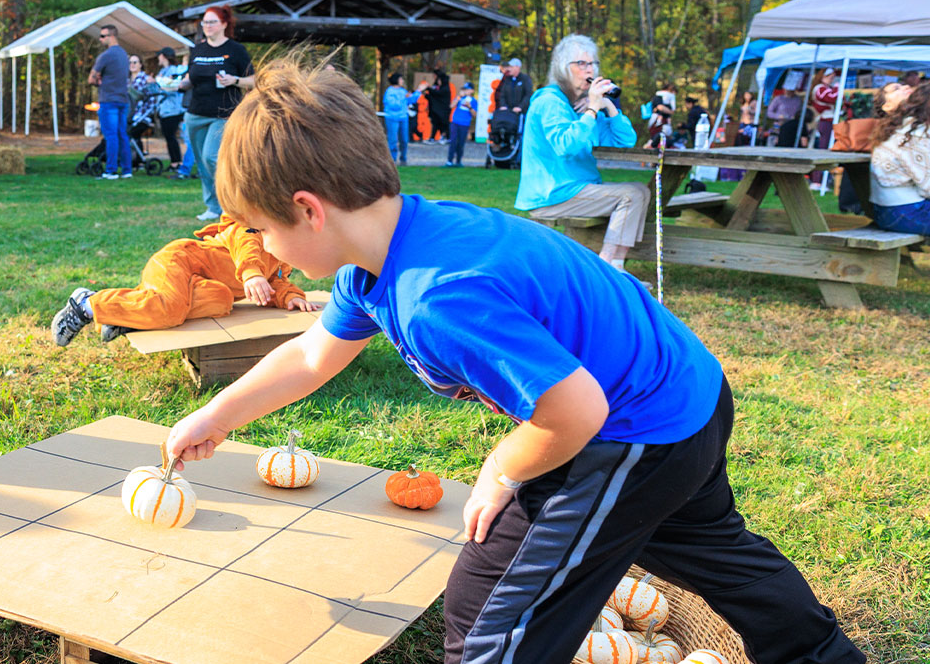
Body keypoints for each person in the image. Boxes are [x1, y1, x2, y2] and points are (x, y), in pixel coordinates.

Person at [161, 60, 864, 664]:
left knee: (486, 616)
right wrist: (218, 413)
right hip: (689, 391)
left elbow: (576, 410)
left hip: (630, 431)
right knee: (715, 553)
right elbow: (314, 355)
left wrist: (504, 466)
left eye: (260, 231)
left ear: (308, 211)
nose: (263, 249)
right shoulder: (386, 254)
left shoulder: (439, 295)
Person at [51, 214, 319, 347]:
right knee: (171, 308)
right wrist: (252, 273)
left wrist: (292, 297)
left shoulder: (281, 259)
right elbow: (245, 244)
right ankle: (85, 304)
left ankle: (126, 318)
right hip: (180, 261)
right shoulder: (250, 228)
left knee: (223, 300)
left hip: (200, 283)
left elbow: (276, 284)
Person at [515, 35, 644, 270]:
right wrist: (592, 110)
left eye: (593, 63)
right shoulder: (550, 102)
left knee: (640, 190)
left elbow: (625, 141)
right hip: (552, 193)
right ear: (563, 69)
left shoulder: (585, 105)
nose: (590, 69)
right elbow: (566, 146)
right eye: (581, 64)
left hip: (576, 187)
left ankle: (617, 266)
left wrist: (608, 106)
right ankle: (606, 270)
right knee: (631, 195)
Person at [182, 5, 253, 219]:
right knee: (202, 163)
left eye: (212, 22)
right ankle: (213, 208)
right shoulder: (197, 50)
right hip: (195, 113)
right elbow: (189, 79)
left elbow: (255, 80)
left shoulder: (236, 50)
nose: (207, 26)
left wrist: (235, 80)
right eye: (205, 22)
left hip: (224, 113)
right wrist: (173, 84)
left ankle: (230, 203)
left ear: (224, 24)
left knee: (212, 157)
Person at [868, 81, 930, 234]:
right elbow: (927, 186)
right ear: (887, 106)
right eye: (896, 89)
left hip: (886, 211)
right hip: (906, 212)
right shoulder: (910, 133)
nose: (907, 87)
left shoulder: (890, 130)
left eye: (905, 85)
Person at [90, 23, 132, 180]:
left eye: (103, 36)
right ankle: (127, 170)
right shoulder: (124, 55)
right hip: (123, 100)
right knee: (122, 135)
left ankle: (111, 170)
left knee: (111, 136)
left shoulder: (105, 56)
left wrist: (97, 80)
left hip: (109, 100)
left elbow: (91, 78)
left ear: (112, 36)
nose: (100, 39)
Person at [152, 47, 190, 177]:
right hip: (164, 110)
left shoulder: (175, 70)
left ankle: (177, 162)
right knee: (169, 137)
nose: (158, 58)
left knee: (171, 136)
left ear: (164, 56)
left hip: (173, 110)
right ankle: (175, 161)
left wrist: (159, 82)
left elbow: (174, 87)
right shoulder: (163, 71)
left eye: (159, 56)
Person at [445, 82, 477, 167]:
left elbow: (475, 115)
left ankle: (458, 161)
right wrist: (459, 97)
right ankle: (449, 161)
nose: (465, 91)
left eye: (467, 89)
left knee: (461, 143)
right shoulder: (459, 98)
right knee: (453, 142)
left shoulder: (474, 101)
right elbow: (451, 106)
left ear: (472, 91)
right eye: (464, 89)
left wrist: (469, 107)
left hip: (465, 124)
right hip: (455, 122)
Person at [381, 73, 409, 165]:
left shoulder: (403, 91)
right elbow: (394, 105)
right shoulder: (389, 92)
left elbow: (410, 100)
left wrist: (418, 92)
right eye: (401, 79)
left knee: (404, 140)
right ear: (396, 80)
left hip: (403, 118)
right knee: (393, 140)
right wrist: (404, 98)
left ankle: (403, 158)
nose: (402, 81)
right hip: (392, 118)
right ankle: (392, 160)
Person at [810, 67, 839, 149]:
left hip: (828, 119)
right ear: (823, 76)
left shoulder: (826, 88)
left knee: (827, 141)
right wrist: (837, 87)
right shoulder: (820, 88)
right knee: (824, 142)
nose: (832, 80)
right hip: (825, 119)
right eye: (830, 78)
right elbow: (831, 98)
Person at [426, 66, 453, 142]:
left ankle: (447, 137)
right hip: (437, 110)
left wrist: (428, 89)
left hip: (443, 110)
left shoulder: (445, 88)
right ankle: (434, 137)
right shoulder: (439, 86)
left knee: (444, 124)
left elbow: (437, 94)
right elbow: (434, 96)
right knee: (436, 124)